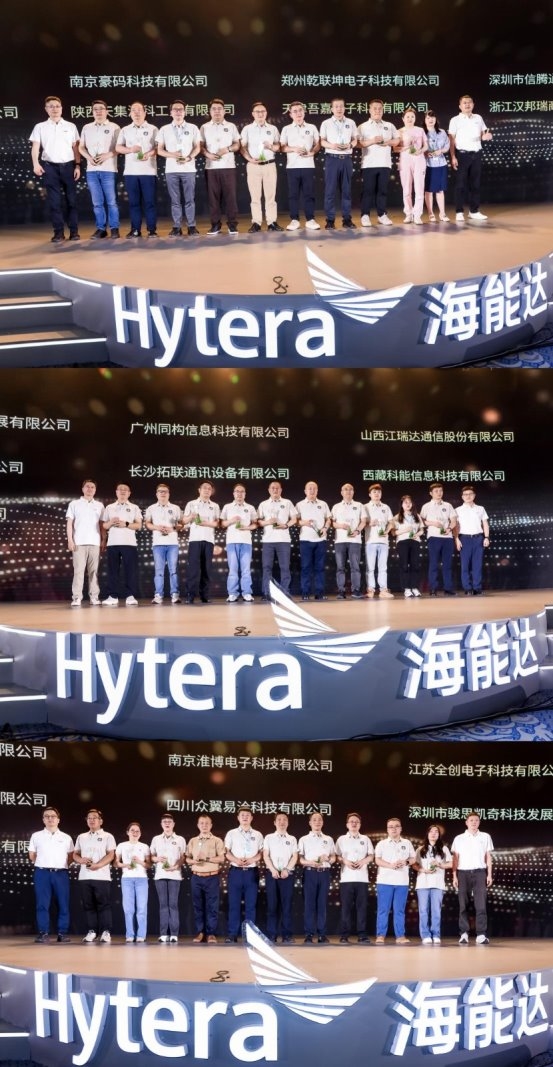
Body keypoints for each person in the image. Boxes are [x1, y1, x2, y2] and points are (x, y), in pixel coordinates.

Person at [29, 95, 81, 243]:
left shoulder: (70, 126)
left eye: (57, 106)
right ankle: (58, 233)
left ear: (61, 108)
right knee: (54, 202)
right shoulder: (40, 127)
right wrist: (35, 164)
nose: (54, 109)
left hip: (69, 167)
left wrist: (78, 165)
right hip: (50, 167)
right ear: (46, 109)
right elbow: (35, 147)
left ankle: (74, 232)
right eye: (51, 106)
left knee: (71, 201)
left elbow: (76, 148)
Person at [29, 806, 74, 943]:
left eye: (53, 816)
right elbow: (32, 855)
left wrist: (60, 865)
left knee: (63, 904)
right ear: (43, 820)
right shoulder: (36, 836)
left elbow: (71, 856)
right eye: (47, 816)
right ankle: (43, 933)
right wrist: (44, 863)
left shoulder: (66, 837)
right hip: (42, 873)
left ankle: (62, 933)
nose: (50, 818)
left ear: (58, 819)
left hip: (61, 873)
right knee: (42, 904)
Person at [156, 100, 201, 237]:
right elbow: (159, 150)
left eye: (181, 109)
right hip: (171, 169)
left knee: (190, 199)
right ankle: (177, 227)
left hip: (188, 169)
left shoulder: (193, 128)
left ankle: (191, 226)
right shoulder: (164, 129)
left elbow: (197, 147)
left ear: (185, 112)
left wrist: (189, 157)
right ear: (170, 113)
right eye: (175, 109)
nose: (178, 112)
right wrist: (172, 155)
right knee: (175, 200)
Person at [73, 808, 116, 944]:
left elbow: (111, 854)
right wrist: (81, 860)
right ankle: (92, 931)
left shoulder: (107, 836)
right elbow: (75, 854)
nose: (91, 820)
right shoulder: (81, 837)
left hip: (102, 876)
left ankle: (106, 932)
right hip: (85, 876)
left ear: (100, 821)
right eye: (89, 818)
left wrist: (98, 865)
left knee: (104, 905)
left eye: (94, 818)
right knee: (88, 905)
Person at [116, 101, 158, 238]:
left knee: (150, 202)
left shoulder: (153, 129)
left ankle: (152, 230)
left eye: (139, 109)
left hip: (148, 171)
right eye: (133, 110)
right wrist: (130, 149)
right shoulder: (125, 129)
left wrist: (149, 154)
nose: (136, 112)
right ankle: (135, 229)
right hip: (131, 172)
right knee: (134, 203)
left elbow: (158, 148)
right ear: (130, 113)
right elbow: (118, 147)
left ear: (145, 112)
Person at [79, 100, 121, 238]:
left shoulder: (114, 127)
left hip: (109, 169)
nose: (98, 111)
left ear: (107, 111)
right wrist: (89, 158)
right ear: (92, 112)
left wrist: (107, 155)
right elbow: (81, 147)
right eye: (95, 109)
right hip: (91, 169)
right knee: (97, 203)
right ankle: (101, 229)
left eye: (101, 108)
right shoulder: (87, 127)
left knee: (111, 202)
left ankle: (114, 228)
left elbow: (120, 147)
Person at [448, 95, 493, 223]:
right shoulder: (455, 120)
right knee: (460, 185)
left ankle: (474, 211)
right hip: (462, 155)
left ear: (473, 104)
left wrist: (487, 136)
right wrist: (453, 156)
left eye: (469, 102)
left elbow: (484, 134)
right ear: (460, 106)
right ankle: (459, 212)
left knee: (475, 184)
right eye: (464, 103)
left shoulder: (478, 118)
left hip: (476, 154)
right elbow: (451, 140)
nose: (467, 104)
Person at [451, 812, 493, 945]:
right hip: (463, 873)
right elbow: (455, 859)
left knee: (481, 905)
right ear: (466, 822)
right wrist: (454, 876)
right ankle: (464, 933)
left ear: (479, 822)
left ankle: (481, 934)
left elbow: (488, 857)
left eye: (476, 820)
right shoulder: (459, 838)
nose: (474, 822)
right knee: (463, 905)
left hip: (480, 873)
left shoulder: (485, 836)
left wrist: (489, 874)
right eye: (471, 820)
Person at [200, 98, 240, 235]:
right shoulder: (204, 127)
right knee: (213, 198)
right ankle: (215, 225)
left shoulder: (231, 126)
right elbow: (200, 146)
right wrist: (207, 154)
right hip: (211, 167)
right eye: (214, 109)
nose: (217, 111)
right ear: (210, 111)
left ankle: (232, 225)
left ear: (224, 111)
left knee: (231, 197)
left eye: (219, 109)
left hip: (228, 166)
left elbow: (237, 144)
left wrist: (227, 149)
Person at [224, 805, 264, 943]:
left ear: (251, 818)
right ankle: (232, 934)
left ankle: (250, 936)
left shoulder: (258, 834)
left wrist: (252, 860)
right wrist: (236, 860)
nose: (245, 817)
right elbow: (226, 852)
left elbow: (261, 853)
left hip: (251, 873)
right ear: (238, 818)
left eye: (247, 815)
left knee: (251, 905)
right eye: (242, 815)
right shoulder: (231, 833)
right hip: (235, 872)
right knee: (234, 905)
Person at [240, 102, 282, 232]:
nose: (260, 114)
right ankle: (256, 223)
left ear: (266, 113)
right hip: (253, 165)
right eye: (257, 112)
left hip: (269, 164)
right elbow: (242, 147)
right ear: (253, 114)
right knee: (255, 196)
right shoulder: (247, 129)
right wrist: (250, 159)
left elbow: (278, 146)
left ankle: (272, 222)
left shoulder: (273, 128)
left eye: (263, 111)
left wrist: (271, 146)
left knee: (271, 196)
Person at [374, 817, 416, 945]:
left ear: (401, 828)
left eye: (396, 826)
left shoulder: (407, 843)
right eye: (391, 827)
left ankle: (400, 936)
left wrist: (406, 862)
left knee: (399, 910)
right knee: (383, 910)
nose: (394, 829)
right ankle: (380, 935)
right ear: (387, 829)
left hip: (402, 882)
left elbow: (413, 859)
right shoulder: (381, 843)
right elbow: (377, 860)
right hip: (384, 881)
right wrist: (390, 865)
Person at [357, 99, 398, 227]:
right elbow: (358, 143)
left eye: (380, 108)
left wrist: (387, 142)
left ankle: (382, 215)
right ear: (369, 110)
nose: (377, 111)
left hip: (385, 163)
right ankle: (365, 215)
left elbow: (397, 140)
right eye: (374, 108)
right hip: (368, 163)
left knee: (382, 191)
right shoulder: (362, 126)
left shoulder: (389, 125)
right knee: (368, 191)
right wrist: (373, 141)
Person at [280, 102, 321, 231]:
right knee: (293, 194)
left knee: (309, 194)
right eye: (295, 111)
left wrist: (312, 152)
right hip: (292, 166)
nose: (298, 113)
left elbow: (318, 143)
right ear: (290, 114)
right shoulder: (286, 129)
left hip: (308, 165)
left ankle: (310, 219)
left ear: (304, 112)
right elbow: (282, 147)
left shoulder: (312, 127)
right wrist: (294, 149)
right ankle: (294, 220)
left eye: (300, 110)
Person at [186, 815, 225, 944]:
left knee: (212, 906)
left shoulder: (217, 840)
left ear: (211, 825)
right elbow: (187, 859)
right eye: (202, 823)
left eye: (207, 823)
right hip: (196, 877)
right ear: (198, 825)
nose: (204, 825)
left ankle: (211, 933)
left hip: (212, 877)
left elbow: (221, 858)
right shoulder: (193, 841)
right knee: (197, 906)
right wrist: (194, 861)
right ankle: (200, 932)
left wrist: (206, 859)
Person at [320, 97, 358, 229]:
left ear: (344, 108)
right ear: (331, 109)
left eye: (341, 106)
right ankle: (330, 220)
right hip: (332, 159)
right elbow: (322, 141)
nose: (339, 109)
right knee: (330, 191)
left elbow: (355, 140)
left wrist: (350, 145)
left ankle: (347, 219)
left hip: (346, 159)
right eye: (336, 106)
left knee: (346, 191)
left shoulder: (351, 122)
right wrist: (332, 146)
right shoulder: (326, 123)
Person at [298, 812, 336, 944]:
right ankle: (308, 935)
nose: (317, 822)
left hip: (324, 873)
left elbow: (333, 857)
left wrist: (328, 859)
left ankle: (322, 934)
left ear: (323, 822)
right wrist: (311, 862)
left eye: (319, 819)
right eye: (314, 820)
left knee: (322, 904)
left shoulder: (328, 839)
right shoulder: (304, 839)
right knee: (309, 904)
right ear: (310, 823)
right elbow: (300, 859)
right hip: (310, 873)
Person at [102, 483, 142, 606]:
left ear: (129, 493)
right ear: (116, 492)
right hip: (113, 543)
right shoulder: (109, 507)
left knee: (130, 571)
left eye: (126, 490)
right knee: (113, 571)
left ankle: (130, 596)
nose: (123, 491)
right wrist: (111, 522)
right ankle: (112, 596)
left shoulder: (134, 507)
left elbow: (139, 525)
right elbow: (104, 526)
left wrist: (126, 524)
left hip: (129, 543)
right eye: (120, 489)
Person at [335, 813, 373, 944]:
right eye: (351, 821)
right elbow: (336, 856)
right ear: (347, 824)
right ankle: (344, 935)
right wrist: (345, 861)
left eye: (356, 821)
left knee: (361, 908)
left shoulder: (365, 839)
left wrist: (363, 861)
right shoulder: (341, 839)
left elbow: (371, 855)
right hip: (346, 878)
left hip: (362, 878)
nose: (354, 823)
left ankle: (362, 934)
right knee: (346, 908)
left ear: (360, 824)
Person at [66, 478, 104, 607]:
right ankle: (77, 597)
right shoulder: (74, 504)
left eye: (92, 487)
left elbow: (102, 525)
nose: (90, 489)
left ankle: (94, 597)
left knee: (94, 572)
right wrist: (70, 540)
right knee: (79, 571)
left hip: (95, 543)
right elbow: (69, 523)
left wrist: (103, 540)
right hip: (79, 543)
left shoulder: (99, 505)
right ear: (83, 489)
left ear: (95, 490)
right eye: (87, 486)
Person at [257, 480, 297, 600]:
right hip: (267, 541)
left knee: (285, 567)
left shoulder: (287, 502)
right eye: (273, 488)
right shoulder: (263, 504)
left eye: (277, 488)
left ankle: (284, 592)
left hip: (283, 540)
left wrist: (285, 525)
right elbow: (258, 521)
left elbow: (294, 519)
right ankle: (267, 592)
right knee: (267, 567)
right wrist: (268, 522)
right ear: (269, 490)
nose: (275, 490)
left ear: (281, 490)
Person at [150, 813, 186, 943]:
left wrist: (175, 867)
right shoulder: (156, 839)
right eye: (164, 821)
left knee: (173, 905)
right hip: (160, 875)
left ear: (173, 824)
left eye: (169, 821)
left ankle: (174, 934)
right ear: (161, 824)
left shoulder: (180, 839)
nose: (167, 823)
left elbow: (183, 857)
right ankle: (163, 933)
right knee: (163, 905)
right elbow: (151, 857)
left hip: (175, 876)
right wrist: (157, 859)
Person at [183, 480, 221, 604]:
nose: (207, 490)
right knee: (193, 569)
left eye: (209, 489)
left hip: (209, 540)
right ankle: (190, 595)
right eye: (204, 488)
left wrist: (205, 523)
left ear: (212, 492)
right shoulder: (191, 504)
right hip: (195, 539)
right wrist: (191, 517)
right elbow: (184, 521)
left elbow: (217, 523)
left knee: (207, 569)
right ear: (199, 490)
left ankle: (205, 595)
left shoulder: (215, 506)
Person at [144, 483, 183, 605]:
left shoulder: (176, 508)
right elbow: (147, 524)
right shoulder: (151, 508)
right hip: (158, 543)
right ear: (156, 494)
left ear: (169, 494)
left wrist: (172, 528)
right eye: (160, 491)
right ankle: (158, 595)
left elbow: (181, 524)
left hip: (172, 543)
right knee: (159, 571)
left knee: (173, 570)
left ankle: (175, 595)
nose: (163, 493)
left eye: (165, 491)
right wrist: (157, 527)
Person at [263, 811, 298, 944]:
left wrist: (287, 869)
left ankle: (287, 935)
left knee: (286, 906)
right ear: (275, 822)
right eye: (279, 819)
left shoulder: (292, 839)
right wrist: (272, 869)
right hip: (272, 874)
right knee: (272, 906)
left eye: (284, 820)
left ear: (288, 823)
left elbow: (295, 856)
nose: (282, 822)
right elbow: (266, 855)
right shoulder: (269, 837)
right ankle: (272, 934)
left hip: (287, 875)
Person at [414, 825, 452, 945]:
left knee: (436, 910)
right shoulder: (420, 849)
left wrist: (440, 864)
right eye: (431, 831)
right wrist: (424, 870)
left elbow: (451, 864)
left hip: (437, 883)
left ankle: (436, 934)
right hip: (422, 883)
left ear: (439, 835)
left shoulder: (444, 848)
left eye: (436, 832)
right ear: (427, 834)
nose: (434, 833)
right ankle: (425, 935)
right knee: (423, 910)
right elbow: (414, 864)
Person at [220, 483, 257, 602]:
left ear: (245, 494)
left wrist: (246, 527)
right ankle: (232, 593)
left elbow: (255, 524)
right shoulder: (227, 507)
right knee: (233, 569)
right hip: (231, 541)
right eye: (237, 491)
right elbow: (222, 524)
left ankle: (247, 593)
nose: (239, 494)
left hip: (246, 541)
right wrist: (231, 520)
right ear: (233, 493)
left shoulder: (250, 507)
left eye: (242, 492)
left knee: (246, 569)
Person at [115, 822, 151, 943]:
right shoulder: (121, 845)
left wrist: (140, 861)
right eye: (132, 830)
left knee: (142, 908)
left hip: (142, 879)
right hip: (127, 879)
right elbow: (116, 863)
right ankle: (130, 934)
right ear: (128, 832)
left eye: (137, 831)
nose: (135, 833)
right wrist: (126, 865)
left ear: (140, 834)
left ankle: (141, 935)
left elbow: (148, 865)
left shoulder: (145, 846)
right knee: (128, 909)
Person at [420, 482, 458, 597]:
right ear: (431, 493)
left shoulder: (448, 505)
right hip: (434, 537)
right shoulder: (426, 506)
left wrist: (449, 528)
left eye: (441, 491)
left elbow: (453, 520)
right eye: (436, 491)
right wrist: (433, 523)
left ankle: (448, 588)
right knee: (434, 564)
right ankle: (433, 588)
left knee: (448, 564)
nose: (439, 493)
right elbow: (421, 521)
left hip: (447, 537)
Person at [296, 481, 331, 601]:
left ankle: (319, 593)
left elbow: (328, 519)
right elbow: (295, 521)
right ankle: (305, 593)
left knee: (320, 568)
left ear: (317, 491)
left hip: (320, 540)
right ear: (305, 491)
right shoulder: (300, 504)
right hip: (305, 539)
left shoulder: (323, 504)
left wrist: (325, 528)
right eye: (309, 488)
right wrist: (304, 522)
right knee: (305, 567)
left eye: (314, 488)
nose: (312, 491)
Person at [331, 483, 365, 599]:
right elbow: (333, 523)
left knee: (355, 567)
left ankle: (356, 590)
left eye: (350, 489)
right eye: (345, 489)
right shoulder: (336, 506)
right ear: (342, 492)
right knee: (340, 567)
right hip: (340, 540)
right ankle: (341, 591)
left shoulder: (359, 505)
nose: (348, 491)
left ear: (353, 492)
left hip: (355, 540)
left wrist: (357, 531)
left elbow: (363, 521)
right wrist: (341, 525)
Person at [395, 107, 428, 225]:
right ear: (403, 118)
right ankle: (408, 214)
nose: (410, 119)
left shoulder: (420, 130)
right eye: (407, 117)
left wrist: (421, 151)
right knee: (406, 188)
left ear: (415, 118)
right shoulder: (399, 131)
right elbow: (395, 148)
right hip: (405, 159)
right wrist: (407, 146)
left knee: (419, 188)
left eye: (412, 117)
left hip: (419, 159)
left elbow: (426, 145)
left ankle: (417, 215)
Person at [455, 487, 490, 596]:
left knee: (477, 565)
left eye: (470, 494)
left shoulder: (480, 508)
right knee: (465, 565)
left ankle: (477, 588)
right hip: (464, 538)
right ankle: (467, 588)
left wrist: (486, 537)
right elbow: (455, 526)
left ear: (474, 495)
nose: (468, 496)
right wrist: (456, 539)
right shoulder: (457, 510)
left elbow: (485, 524)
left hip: (478, 538)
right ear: (462, 497)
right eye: (465, 494)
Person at [364, 483, 394, 599]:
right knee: (370, 568)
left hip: (384, 541)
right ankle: (370, 590)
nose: (377, 494)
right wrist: (369, 523)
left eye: (379, 492)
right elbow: (361, 522)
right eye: (374, 492)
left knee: (383, 567)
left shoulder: (385, 507)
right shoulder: (365, 507)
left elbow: (391, 522)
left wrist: (387, 530)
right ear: (369, 494)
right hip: (370, 541)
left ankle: (383, 590)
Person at [393, 495, 424, 598]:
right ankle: (406, 588)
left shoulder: (417, 516)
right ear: (401, 504)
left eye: (409, 502)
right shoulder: (397, 517)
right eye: (405, 502)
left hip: (415, 541)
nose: (408, 504)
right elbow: (393, 533)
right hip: (402, 542)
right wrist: (405, 530)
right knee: (404, 565)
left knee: (415, 565)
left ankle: (414, 587)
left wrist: (417, 534)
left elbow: (422, 530)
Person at [423, 110, 450, 222]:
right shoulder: (421, 132)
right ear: (425, 120)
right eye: (428, 118)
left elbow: (447, 146)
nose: (431, 120)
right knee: (428, 190)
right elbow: (416, 147)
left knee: (440, 190)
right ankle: (431, 213)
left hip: (441, 163)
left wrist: (441, 151)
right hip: (427, 165)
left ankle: (442, 214)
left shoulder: (442, 132)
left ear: (436, 119)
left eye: (432, 117)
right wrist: (424, 153)